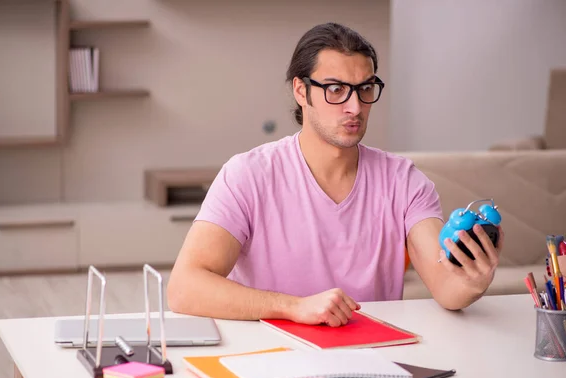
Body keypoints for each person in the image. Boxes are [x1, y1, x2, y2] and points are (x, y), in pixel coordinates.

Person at [166, 22, 504, 327]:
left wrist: (472, 281)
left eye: (365, 89)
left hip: (375, 359)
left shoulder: (404, 182)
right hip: (269, 354)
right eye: (336, 90)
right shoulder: (247, 175)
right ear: (301, 91)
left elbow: (446, 287)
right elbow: (184, 287)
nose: (354, 107)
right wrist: (293, 307)